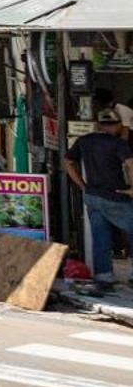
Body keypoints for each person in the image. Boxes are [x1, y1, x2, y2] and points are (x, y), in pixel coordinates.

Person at [64, 118, 133, 290]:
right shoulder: (118, 143)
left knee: (100, 236)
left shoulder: (84, 140)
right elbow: (131, 165)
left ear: (99, 124)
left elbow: (68, 162)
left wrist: (82, 185)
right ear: (117, 125)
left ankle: (104, 277)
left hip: (93, 195)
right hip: (116, 196)